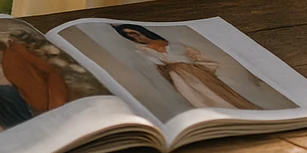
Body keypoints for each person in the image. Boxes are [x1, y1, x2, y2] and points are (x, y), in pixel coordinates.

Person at [113, 24, 264, 110]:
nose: (136, 37)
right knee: (197, 96)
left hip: (197, 72)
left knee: (218, 92)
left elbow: (196, 56)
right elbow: (152, 64)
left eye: (135, 33)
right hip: (177, 74)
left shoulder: (174, 44)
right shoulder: (142, 50)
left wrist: (202, 66)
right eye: (130, 36)